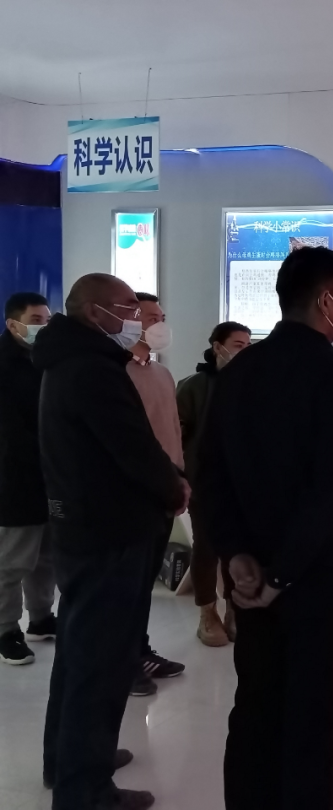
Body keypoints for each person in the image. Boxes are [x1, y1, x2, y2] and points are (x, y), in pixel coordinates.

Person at [197, 247, 333, 810]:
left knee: (254, 716)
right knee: (310, 732)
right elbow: (329, 495)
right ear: (325, 300)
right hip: (319, 582)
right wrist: (283, 576)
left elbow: (210, 475)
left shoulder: (238, 372)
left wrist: (236, 556)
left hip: (251, 582)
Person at [36, 274, 188, 810]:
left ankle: (67, 761)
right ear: (95, 311)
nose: (136, 318)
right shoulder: (93, 370)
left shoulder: (67, 362)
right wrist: (173, 487)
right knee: (98, 661)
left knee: (78, 653)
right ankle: (85, 787)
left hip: (83, 526)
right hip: (109, 531)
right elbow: (133, 447)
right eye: (127, 308)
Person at [125, 292, 186, 696]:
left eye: (161, 316)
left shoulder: (162, 373)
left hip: (166, 488)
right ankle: (123, 662)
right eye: (150, 317)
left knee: (144, 581)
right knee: (126, 584)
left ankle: (139, 650)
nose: (159, 324)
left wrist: (179, 477)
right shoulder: (116, 373)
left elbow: (172, 432)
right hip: (134, 494)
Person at [176, 321, 252, 647]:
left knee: (238, 550)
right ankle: (207, 613)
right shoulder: (193, 387)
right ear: (217, 347)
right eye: (238, 345)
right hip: (204, 484)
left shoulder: (254, 385)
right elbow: (177, 435)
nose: (245, 351)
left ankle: (236, 609)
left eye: (249, 345)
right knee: (206, 548)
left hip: (242, 486)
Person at [0, 293, 55, 665]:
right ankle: (6, 630)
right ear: (13, 324)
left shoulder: (46, 359)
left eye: (48, 320)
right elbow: (10, 433)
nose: (43, 327)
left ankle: (41, 618)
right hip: (15, 478)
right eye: (36, 320)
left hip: (52, 476)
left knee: (47, 556)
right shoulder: (4, 365)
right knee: (12, 561)